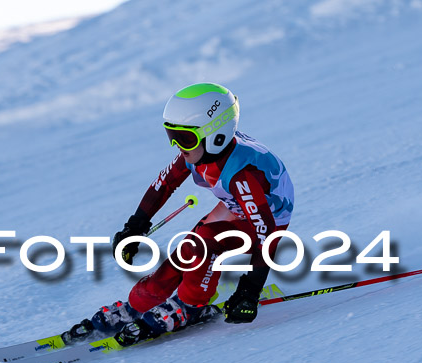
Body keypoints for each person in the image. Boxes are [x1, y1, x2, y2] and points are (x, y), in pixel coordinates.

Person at [62, 83, 294, 347]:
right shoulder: (197, 153)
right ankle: (137, 304)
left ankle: (190, 305)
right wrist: (135, 227)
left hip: (268, 218)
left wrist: (249, 291)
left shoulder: (242, 175)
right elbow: (163, 184)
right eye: (171, 135)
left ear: (217, 136)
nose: (177, 146)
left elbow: (268, 235)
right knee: (186, 252)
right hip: (236, 206)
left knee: (202, 243)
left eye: (185, 138)